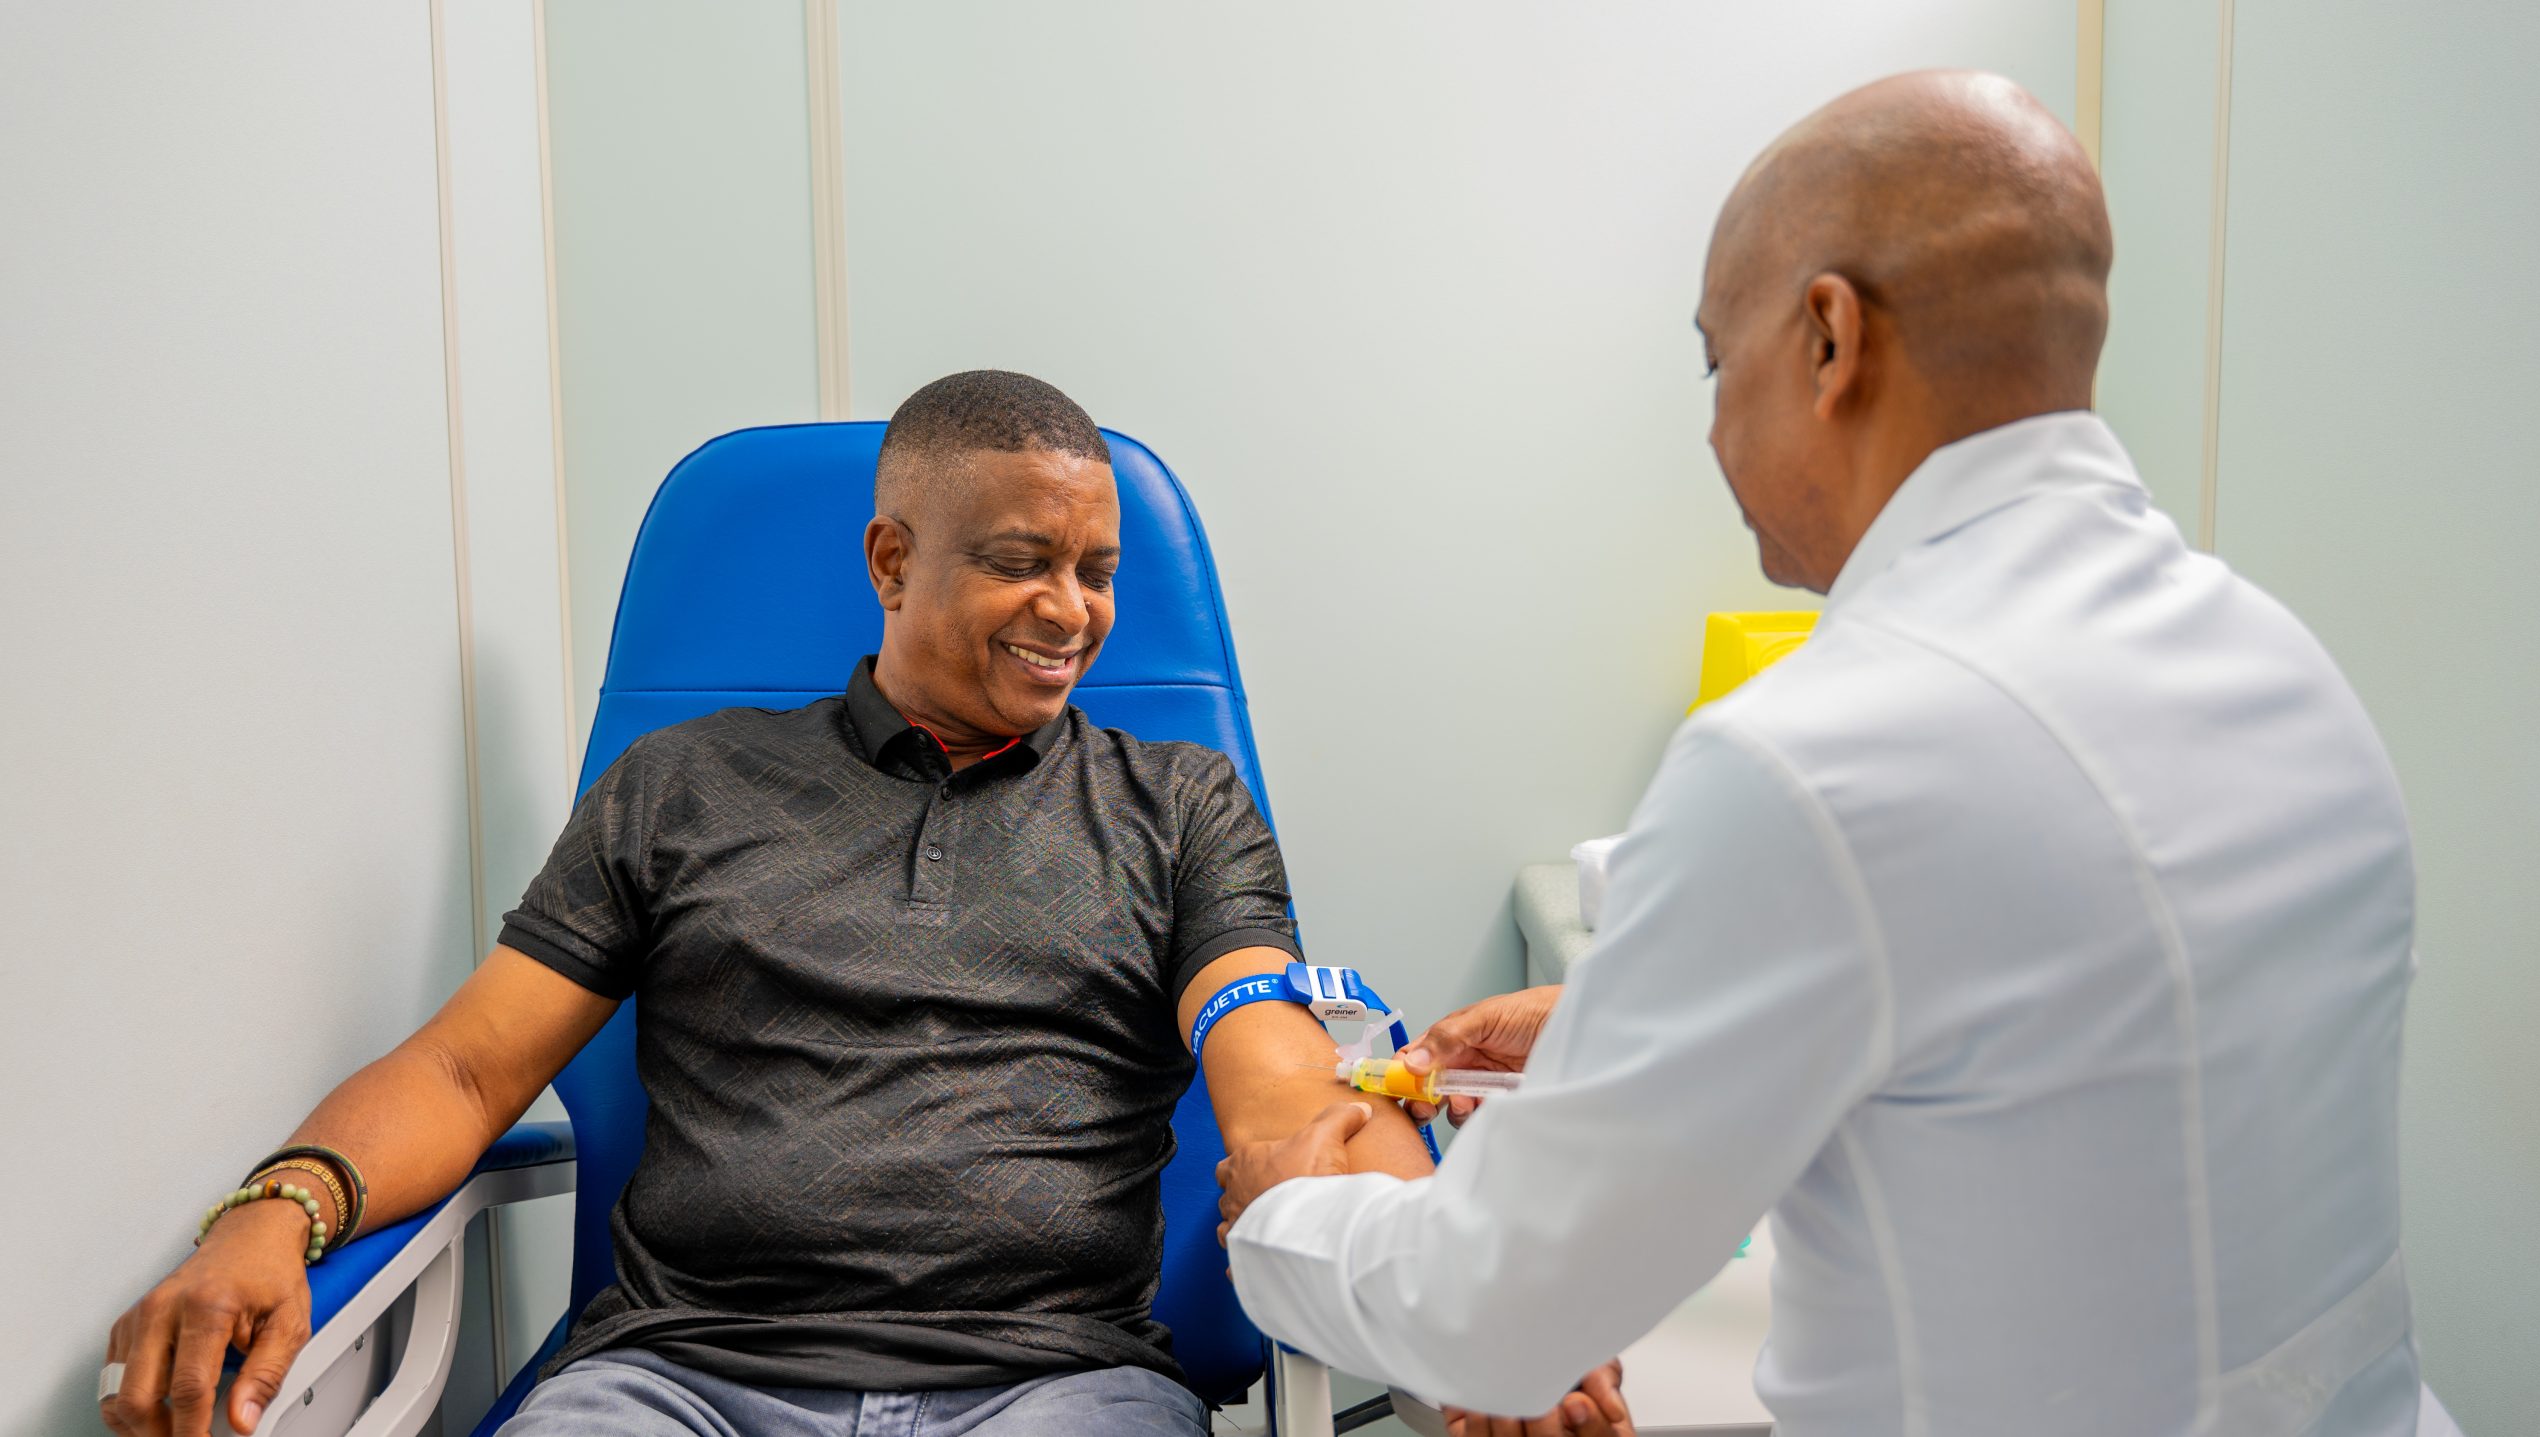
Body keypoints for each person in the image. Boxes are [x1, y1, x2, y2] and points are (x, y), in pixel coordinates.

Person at [1216, 72, 2452, 1437]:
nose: (1708, 428)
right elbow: (2077, 1009)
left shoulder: (1809, 759)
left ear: (1827, 339)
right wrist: (1639, 1015)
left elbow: (1491, 1313)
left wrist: (1285, 1213)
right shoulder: (2276, 661)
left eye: (1712, 361)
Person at [99, 371, 1631, 1437]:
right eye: (1025, 562)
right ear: (891, 560)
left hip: (1051, 1384)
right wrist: (274, 1211)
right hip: (678, 1379)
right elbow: (461, 1067)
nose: (1075, 611)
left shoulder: (1176, 806)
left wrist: (1468, 1290)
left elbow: (1282, 1089)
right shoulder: (680, 784)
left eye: (1096, 570)